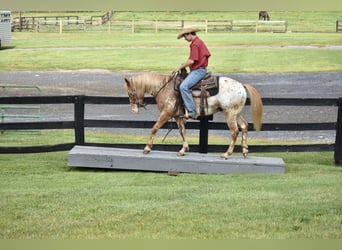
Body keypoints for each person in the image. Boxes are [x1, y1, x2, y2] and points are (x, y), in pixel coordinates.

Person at [173, 26, 211, 119]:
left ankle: (192, 111)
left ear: (189, 34)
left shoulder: (195, 44)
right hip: (199, 69)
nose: (185, 39)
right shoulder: (198, 41)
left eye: (185, 37)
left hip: (198, 71)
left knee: (183, 86)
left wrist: (180, 67)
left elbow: (192, 61)